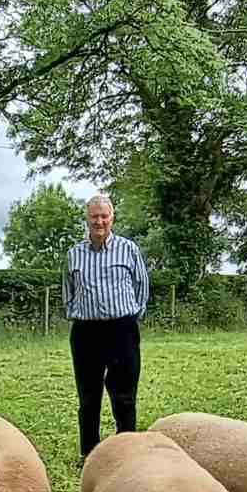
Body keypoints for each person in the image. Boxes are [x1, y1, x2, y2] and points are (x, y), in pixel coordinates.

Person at [63, 193, 149, 462]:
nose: (99, 221)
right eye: (94, 216)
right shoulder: (74, 254)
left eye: (104, 216)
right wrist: (76, 313)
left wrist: (131, 316)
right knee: (88, 397)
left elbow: (141, 286)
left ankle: (127, 452)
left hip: (122, 330)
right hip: (86, 332)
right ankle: (88, 453)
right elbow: (68, 290)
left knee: (124, 395)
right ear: (87, 219)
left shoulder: (129, 249)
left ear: (112, 217)